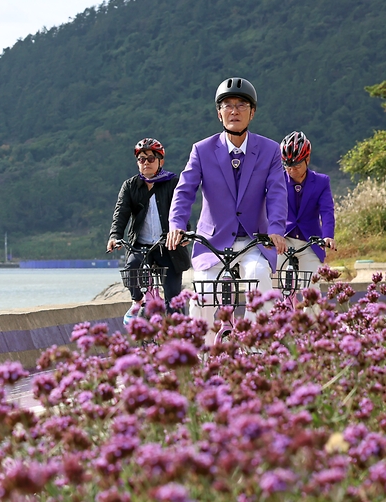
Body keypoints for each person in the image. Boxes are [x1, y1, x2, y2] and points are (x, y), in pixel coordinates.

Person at [166, 77, 288, 343]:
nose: (234, 110)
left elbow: (278, 192)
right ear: (219, 112)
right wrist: (176, 224)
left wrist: (277, 229)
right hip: (213, 241)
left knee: (258, 279)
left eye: (242, 104)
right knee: (203, 292)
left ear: (252, 112)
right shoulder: (202, 150)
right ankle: (199, 354)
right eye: (227, 105)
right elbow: (185, 191)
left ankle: (258, 349)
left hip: (254, 239)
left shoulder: (269, 150)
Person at [107, 138, 191, 324]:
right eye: (141, 159)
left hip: (167, 246)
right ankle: (138, 301)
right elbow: (121, 213)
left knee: (173, 297)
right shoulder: (130, 186)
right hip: (140, 245)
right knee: (131, 270)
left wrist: (184, 232)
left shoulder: (173, 182)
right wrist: (115, 236)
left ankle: (179, 338)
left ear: (161, 161)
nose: (146, 163)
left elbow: (182, 210)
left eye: (151, 159)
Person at [279, 131, 336, 272]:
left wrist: (327, 235)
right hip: (283, 239)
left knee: (312, 283)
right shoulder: (277, 180)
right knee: (273, 277)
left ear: (307, 159)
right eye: (288, 166)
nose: (292, 171)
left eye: (297, 167)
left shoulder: (321, 182)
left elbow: (327, 211)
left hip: (310, 241)